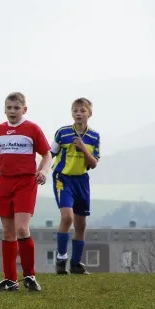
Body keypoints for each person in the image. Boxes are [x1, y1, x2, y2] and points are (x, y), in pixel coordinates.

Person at [0, 92, 52, 292]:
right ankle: (10, 280)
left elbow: (47, 155)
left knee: (21, 229)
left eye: (16, 108)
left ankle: (30, 276)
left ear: (24, 109)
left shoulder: (32, 129)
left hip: (26, 183)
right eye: (9, 107)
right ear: (4, 109)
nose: (12, 111)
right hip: (4, 183)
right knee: (7, 232)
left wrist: (43, 171)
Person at [51, 98, 100, 275]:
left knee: (81, 224)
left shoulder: (94, 136)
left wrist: (84, 149)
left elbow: (93, 163)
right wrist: (40, 170)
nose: (78, 114)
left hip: (81, 181)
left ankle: (76, 264)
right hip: (63, 179)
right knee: (67, 218)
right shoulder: (62, 133)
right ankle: (61, 259)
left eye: (82, 111)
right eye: (75, 110)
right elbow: (51, 153)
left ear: (89, 113)